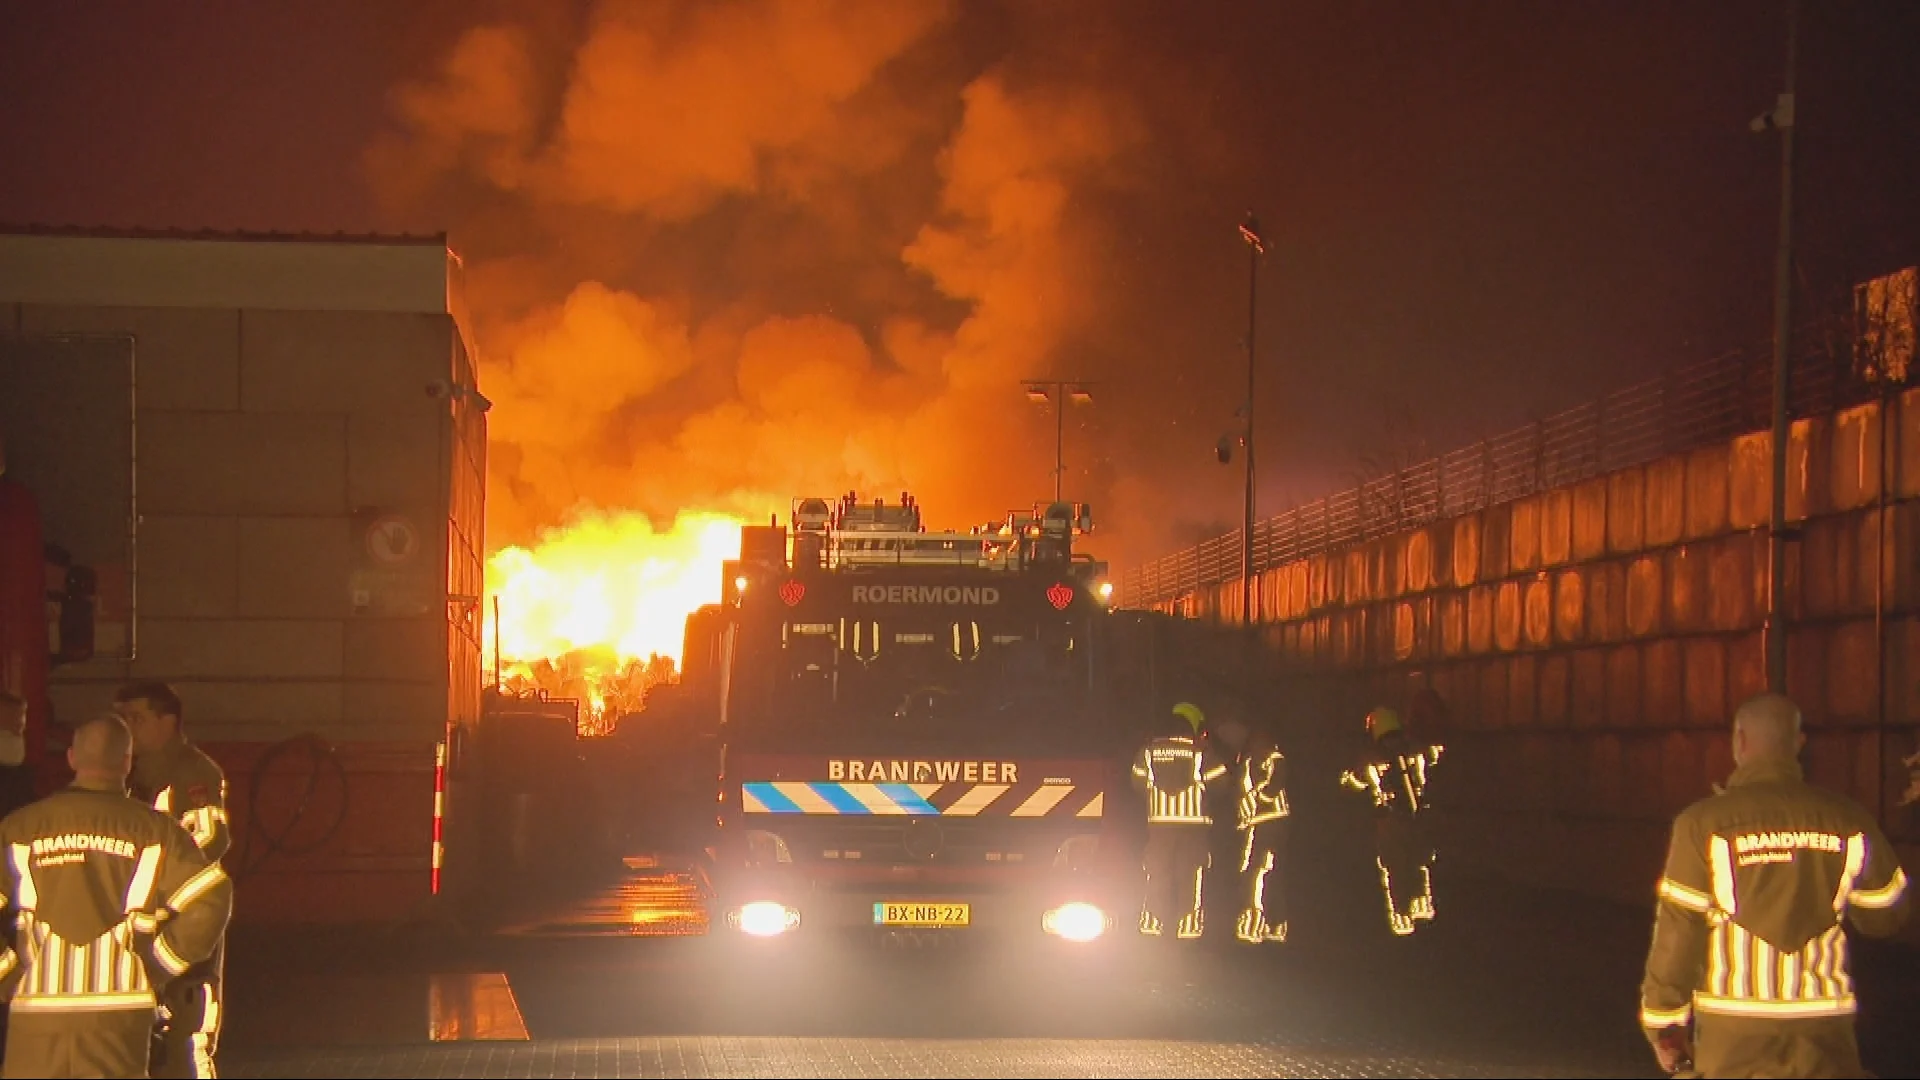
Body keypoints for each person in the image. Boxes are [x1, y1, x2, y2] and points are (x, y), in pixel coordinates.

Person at [1639, 693, 1909, 1079]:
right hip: (1824, 1029)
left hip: (1733, 1030)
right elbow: (1886, 915)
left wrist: (1664, 1027)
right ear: (1798, 745)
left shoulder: (1701, 824)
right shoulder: (1848, 819)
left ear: (1739, 742)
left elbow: (1678, 932)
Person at [0, 713, 232, 1079]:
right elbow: (211, 896)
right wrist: (158, 965)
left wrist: (8, 976)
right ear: (126, 762)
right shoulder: (157, 831)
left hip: (35, 1011)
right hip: (122, 1013)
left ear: (72, 758)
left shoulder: (19, 828)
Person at [111, 684, 227, 1080]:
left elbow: (209, 843)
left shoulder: (194, 774)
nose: (127, 728)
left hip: (180, 929)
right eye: (122, 719)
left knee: (185, 1039)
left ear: (168, 722)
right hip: (133, 931)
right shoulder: (123, 776)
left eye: (136, 719)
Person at [1339, 705, 1443, 937]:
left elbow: (1355, 783)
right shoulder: (1415, 748)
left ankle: (1401, 914)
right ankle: (1423, 902)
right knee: (1418, 860)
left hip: (1389, 819)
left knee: (1394, 865)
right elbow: (1434, 762)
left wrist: (1347, 780)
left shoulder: (1372, 755)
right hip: (1418, 816)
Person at [1131, 702, 1228, 941]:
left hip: (1159, 825)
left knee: (1157, 873)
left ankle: (1152, 924)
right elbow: (1221, 783)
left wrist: (1156, 798)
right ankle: (1189, 927)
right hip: (1193, 827)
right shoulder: (1200, 752)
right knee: (1191, 875)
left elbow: (1137, 782)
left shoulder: (1148, 751)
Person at [1218, 718, 1289, 944]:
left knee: (1262, 870)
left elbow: (1272, 787)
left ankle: (1264, 920)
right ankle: (1260, 919)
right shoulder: (1245, 762)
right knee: (1254, 869)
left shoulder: (1274, 759)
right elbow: (1238, 791)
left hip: (1271, 821)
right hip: (1254, 823)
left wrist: (1256, 796)